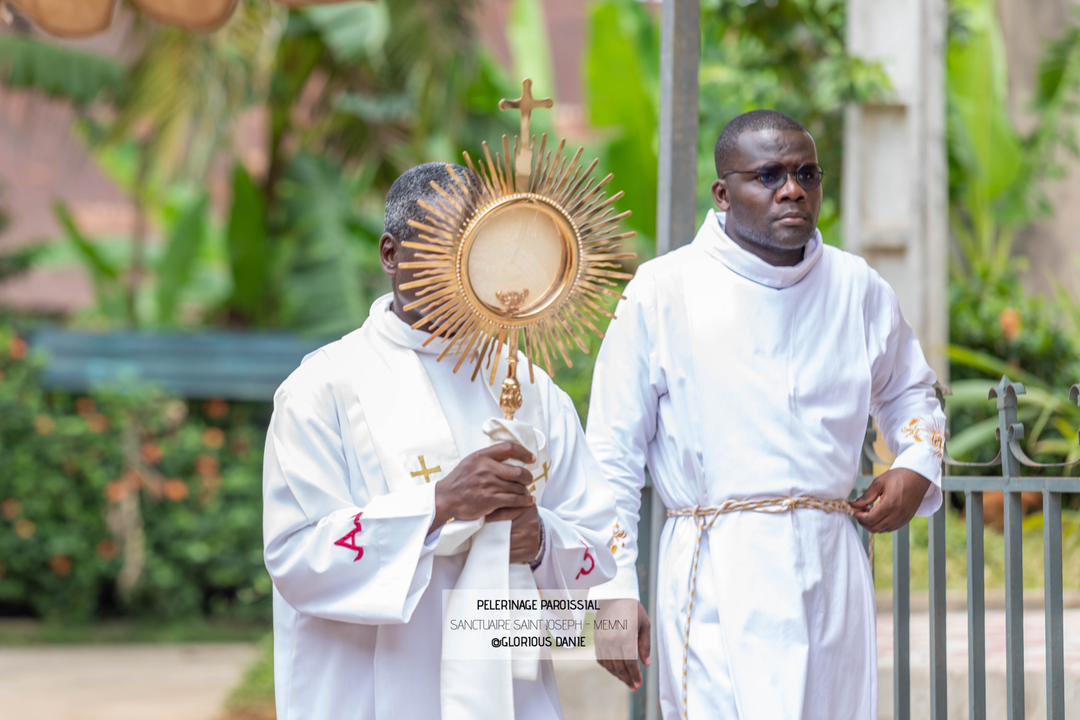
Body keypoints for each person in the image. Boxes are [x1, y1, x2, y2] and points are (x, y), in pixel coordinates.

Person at [587, 110, 946, 719]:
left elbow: (911, 393)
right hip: (717, 574)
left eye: (807, 174)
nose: (793, 190)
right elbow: (611, 453)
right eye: (769, 175)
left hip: (831, 572)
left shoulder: (856, 288)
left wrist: (916, 464)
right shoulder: (663, 290)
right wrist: (612, 590)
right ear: (723, 194)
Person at [263, 162, 616, 720]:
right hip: (372, 693)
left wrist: (541, 541)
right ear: (390, 254)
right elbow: (296, 559)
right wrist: (438, 505)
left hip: (509, 694)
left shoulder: (531, 389)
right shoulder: (321, 387)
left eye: (476, 247)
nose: (459, 267)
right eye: (439, 246)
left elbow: (598, 544)